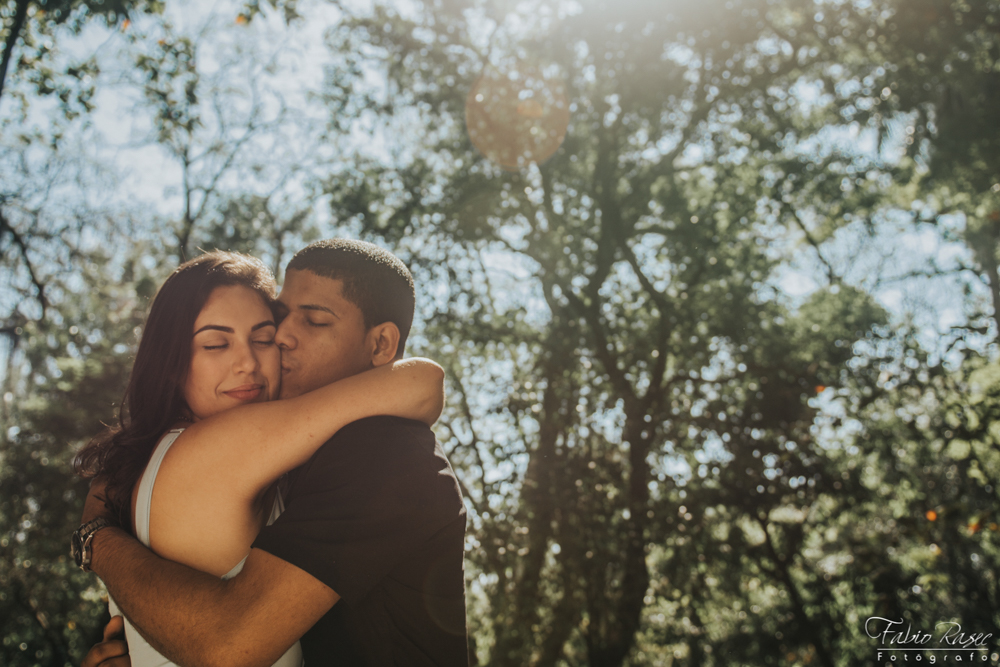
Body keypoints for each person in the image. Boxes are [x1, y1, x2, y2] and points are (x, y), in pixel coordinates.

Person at [79, 240, 470, 667]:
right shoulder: (219, 449)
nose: (280, 340)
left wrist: (97, 541)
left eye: (314, 321)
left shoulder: (380, 450)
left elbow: (423, 382)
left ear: (380, 346)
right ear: (172, 362)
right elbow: (420, 381)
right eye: (215, 344)